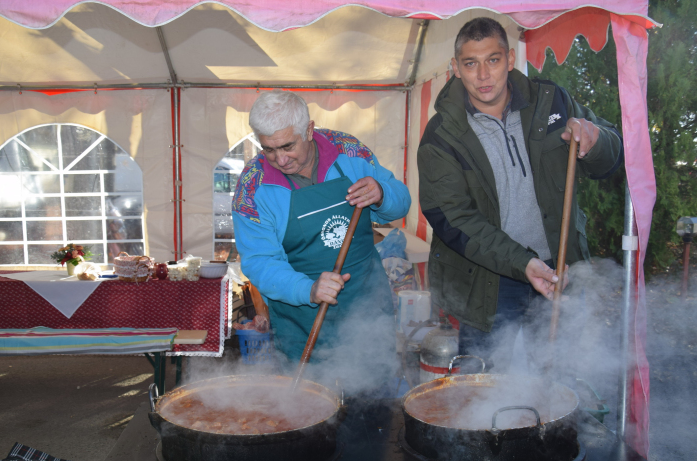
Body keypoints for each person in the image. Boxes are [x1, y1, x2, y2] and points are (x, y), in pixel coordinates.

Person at [417, 17, 623, 372]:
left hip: (562, 270)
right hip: (486, 282)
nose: (483, 75)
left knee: (558, 387)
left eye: (493, 60)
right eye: (471, 63)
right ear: (455, 69)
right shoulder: (441, 136)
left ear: (510, 60)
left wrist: (595, 138)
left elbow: (609, 156)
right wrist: (522, 263)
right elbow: (453, 220)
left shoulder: (551, 101)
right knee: (481, 394)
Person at [232, 91, 411, 391]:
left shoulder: (350, 152)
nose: (280, 159)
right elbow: (259, 261)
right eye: (269, 149)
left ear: (309, 130)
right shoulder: (252, 187)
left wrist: (382, 193)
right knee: (311, 415)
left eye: (288, 146)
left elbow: (401, 202)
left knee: (372, 412)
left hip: (366, 308)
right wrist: (308, 289)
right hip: (301, 320)